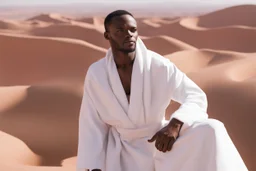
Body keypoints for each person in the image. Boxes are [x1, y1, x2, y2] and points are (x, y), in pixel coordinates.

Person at [76, 10, 248, 171]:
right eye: (120, 30)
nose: (129, 34)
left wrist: (175, 124)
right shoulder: (97, 73)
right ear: (108, 35)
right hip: (121, 150)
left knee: (212, 128)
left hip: (162, 143)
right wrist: (93, 165)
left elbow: (196, 96)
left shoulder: (158, 65)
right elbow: (91, 122)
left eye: (133, 29)